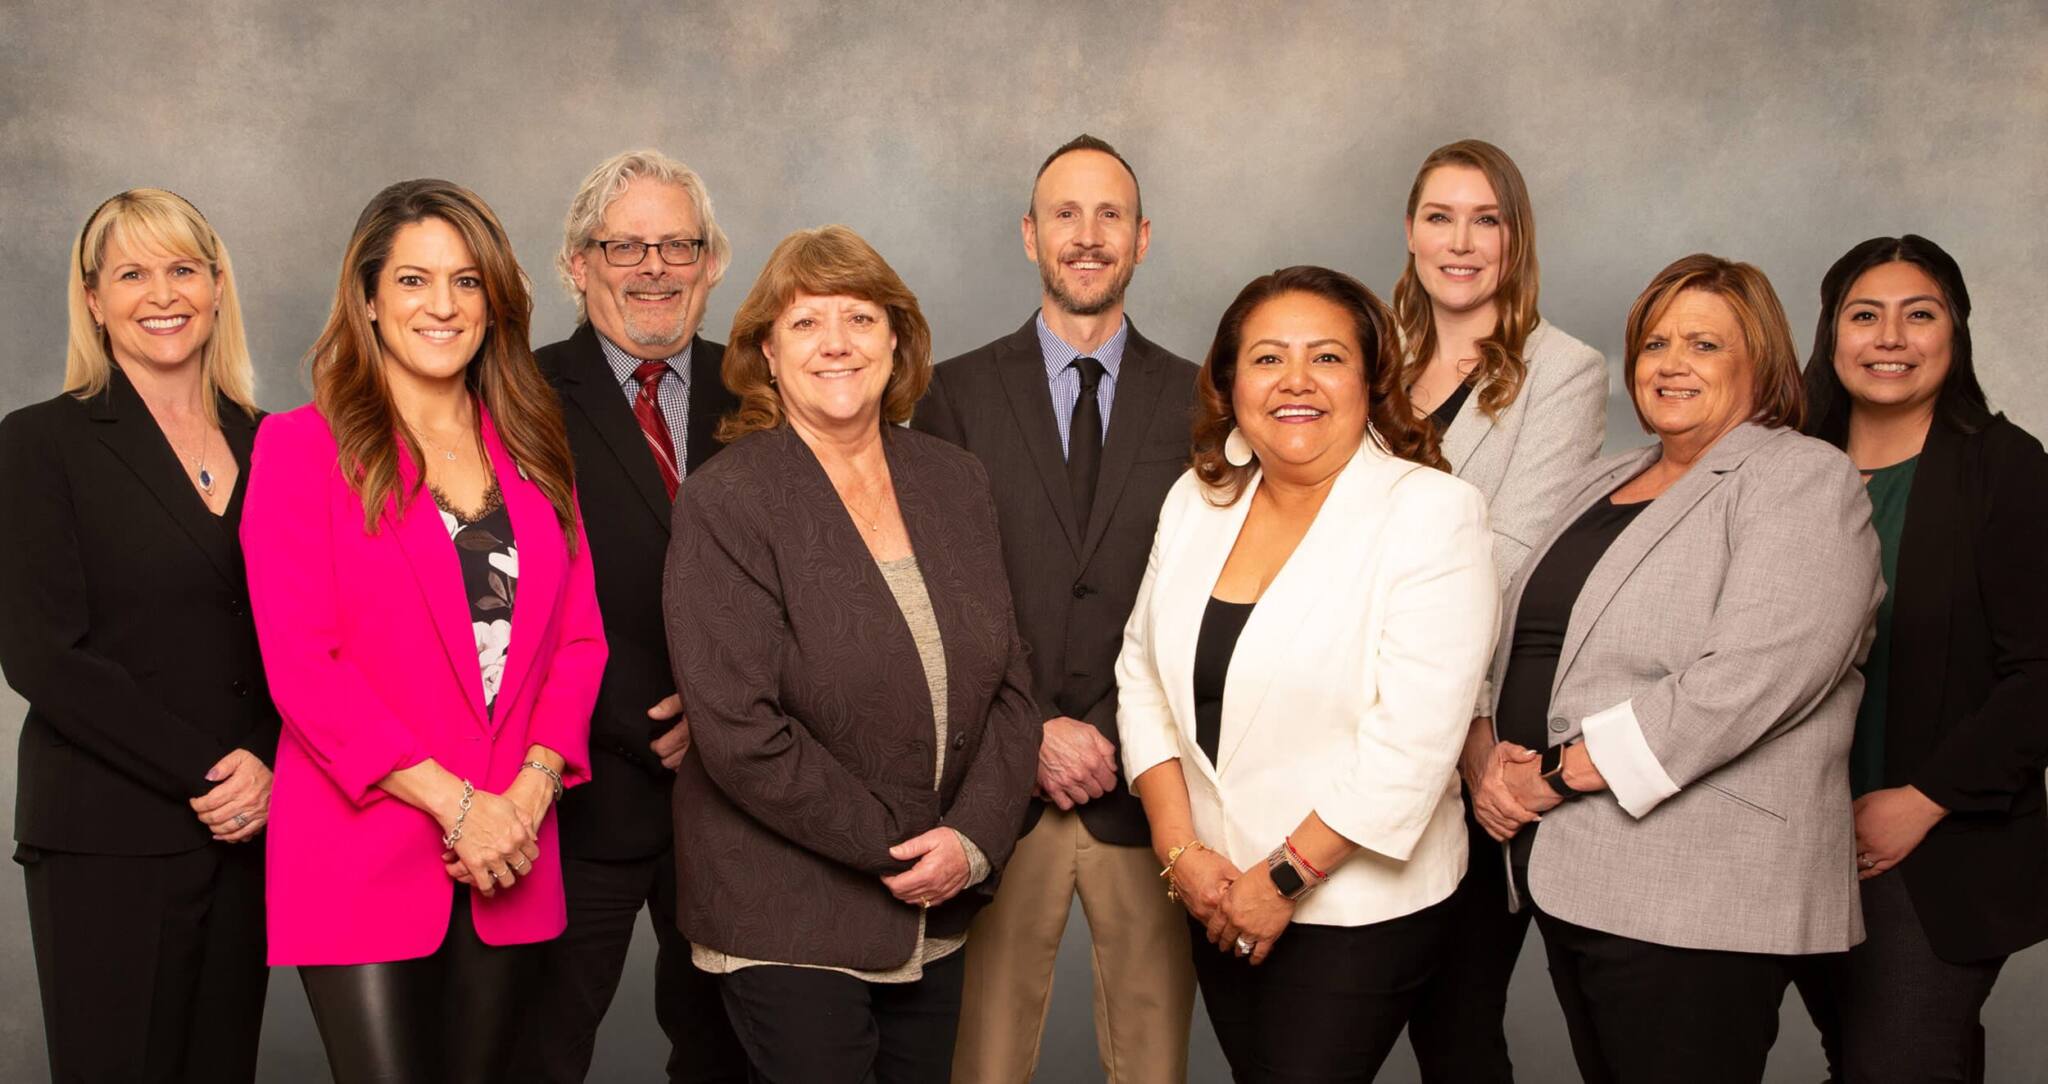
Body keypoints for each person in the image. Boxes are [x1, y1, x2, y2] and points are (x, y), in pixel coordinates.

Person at [1477, 253, 1881, 1083]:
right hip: (1572, 873)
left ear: (1759, 361)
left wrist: (1553, 776)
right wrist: (1486, 757)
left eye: (1703, 344)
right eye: (1655, 342)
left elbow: (1752, 677)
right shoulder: (1603, 479)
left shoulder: (1800, 476)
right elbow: (1513, 638)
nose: (1671, 364)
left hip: (1700, 889)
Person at [241, 178, 605, 1084]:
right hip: (362, 843)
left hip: (512, 851)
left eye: (466, 282)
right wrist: (460, 807)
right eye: (412, 281)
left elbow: (580, 643)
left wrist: (526, 794)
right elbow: (303, 666)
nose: (441, 305)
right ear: (367, 299)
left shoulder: (534, 446)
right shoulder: (300, 446)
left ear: (493, 302)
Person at [664, 225, 1039, 1083]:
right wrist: (911, 847)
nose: (836, 342)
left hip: (937, 906)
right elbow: (737, 730)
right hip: (785, 909)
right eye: (804, 324)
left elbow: (1013, 688)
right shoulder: (728, 500)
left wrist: (973, 842)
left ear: (896, 338)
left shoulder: (956, 481)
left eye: (860, 318)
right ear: (766, 352)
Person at [1116, 265, 1499, 1080]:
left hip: (1355, 907)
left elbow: (1414, 744)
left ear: (1370, 379)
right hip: (1215, 890)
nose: (1295, 382)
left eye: (1326, 357)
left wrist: (1283, 878)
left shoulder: (1429, 513)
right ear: (1229, 382)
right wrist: (1179, 849)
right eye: (1266, 359)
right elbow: (1140, 674)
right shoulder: (1196, 499)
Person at [911, 133, 1199, 1084]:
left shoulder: (1202, 400)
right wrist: (1029, 729)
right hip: (1003, 784)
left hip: (1149, 787)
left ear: (1143, 237)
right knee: (983, 1062)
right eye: (1065, 215)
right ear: (1029, 235)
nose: (1087, 235)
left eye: (1109, 214)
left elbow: (1210, 593)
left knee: (1153, 1062)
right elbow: (941, 594)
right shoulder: (949, 394)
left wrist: (1117, 731)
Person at [0, 188, 276, 1082]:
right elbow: (41, 652)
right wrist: (209, 772)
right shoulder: (40, 444)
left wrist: (266, 760)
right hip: (106, 837)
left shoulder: (278, 445)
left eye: (183, 269)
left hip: (253, 827)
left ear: (218, 284)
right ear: (93, 298)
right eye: (131, 273)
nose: (162, 294)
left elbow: (316, 635)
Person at [1788, 236, 2048, 1084]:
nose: (1890, 337)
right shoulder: (1783, 473)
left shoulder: (2005, 468)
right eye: (1865, 316)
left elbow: (2040, 672)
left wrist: (1924, 800)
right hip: (1788, 843)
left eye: (1919, 314)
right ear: (1832, 335)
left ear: (1956, 332)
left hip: (1925, 853)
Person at [520, 148, 747, 1083]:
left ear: (709, 263)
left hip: (739, 803)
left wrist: (726, 713)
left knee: (730, 1055)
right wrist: (622, 714)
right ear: (579, 265)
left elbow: (821, 588)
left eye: (678, 245)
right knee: (537, 1050)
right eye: (626, 247)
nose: (654, 267)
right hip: (577, 796)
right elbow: (491, 596)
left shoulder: (767, 394)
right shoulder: (518, 395)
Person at [1391, 138, 1608, 1083]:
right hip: (1364, 723)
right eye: (1441, 217)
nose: (1461, 241)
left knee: (1457, 1024)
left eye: (1486, 219)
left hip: (1473, 724)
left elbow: (1508, 562)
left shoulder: (1563, 370)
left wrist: (1471, 730)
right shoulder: (1370, 357)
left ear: (1514, 241)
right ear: (1410, 233)